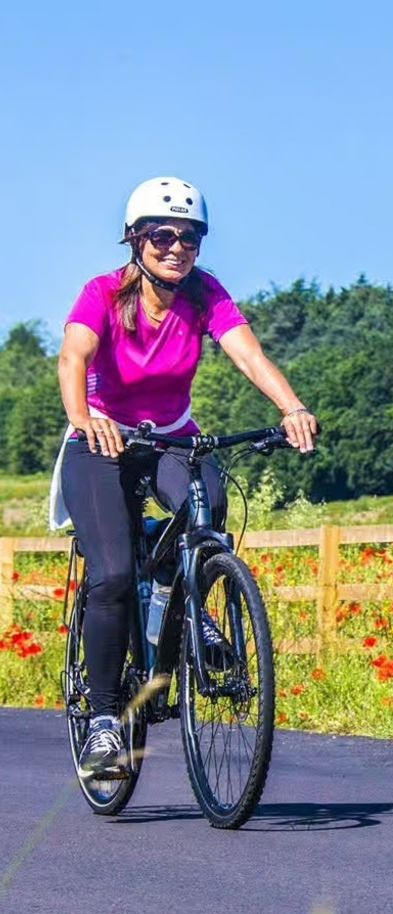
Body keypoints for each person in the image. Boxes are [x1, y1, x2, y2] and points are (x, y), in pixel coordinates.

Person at [55, 176, 318, 779]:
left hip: (172, 434)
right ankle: (102, 722)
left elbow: (248, 353)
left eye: (191, 238)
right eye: (162, 236)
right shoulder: (102, 292)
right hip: (104, 437)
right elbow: (73, 357)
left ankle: (189, 597)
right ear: (135, 240)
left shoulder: (204, 294)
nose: (177, 248)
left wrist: (291, 407)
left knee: (211, 506)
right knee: (115, 574)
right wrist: (83, 419)